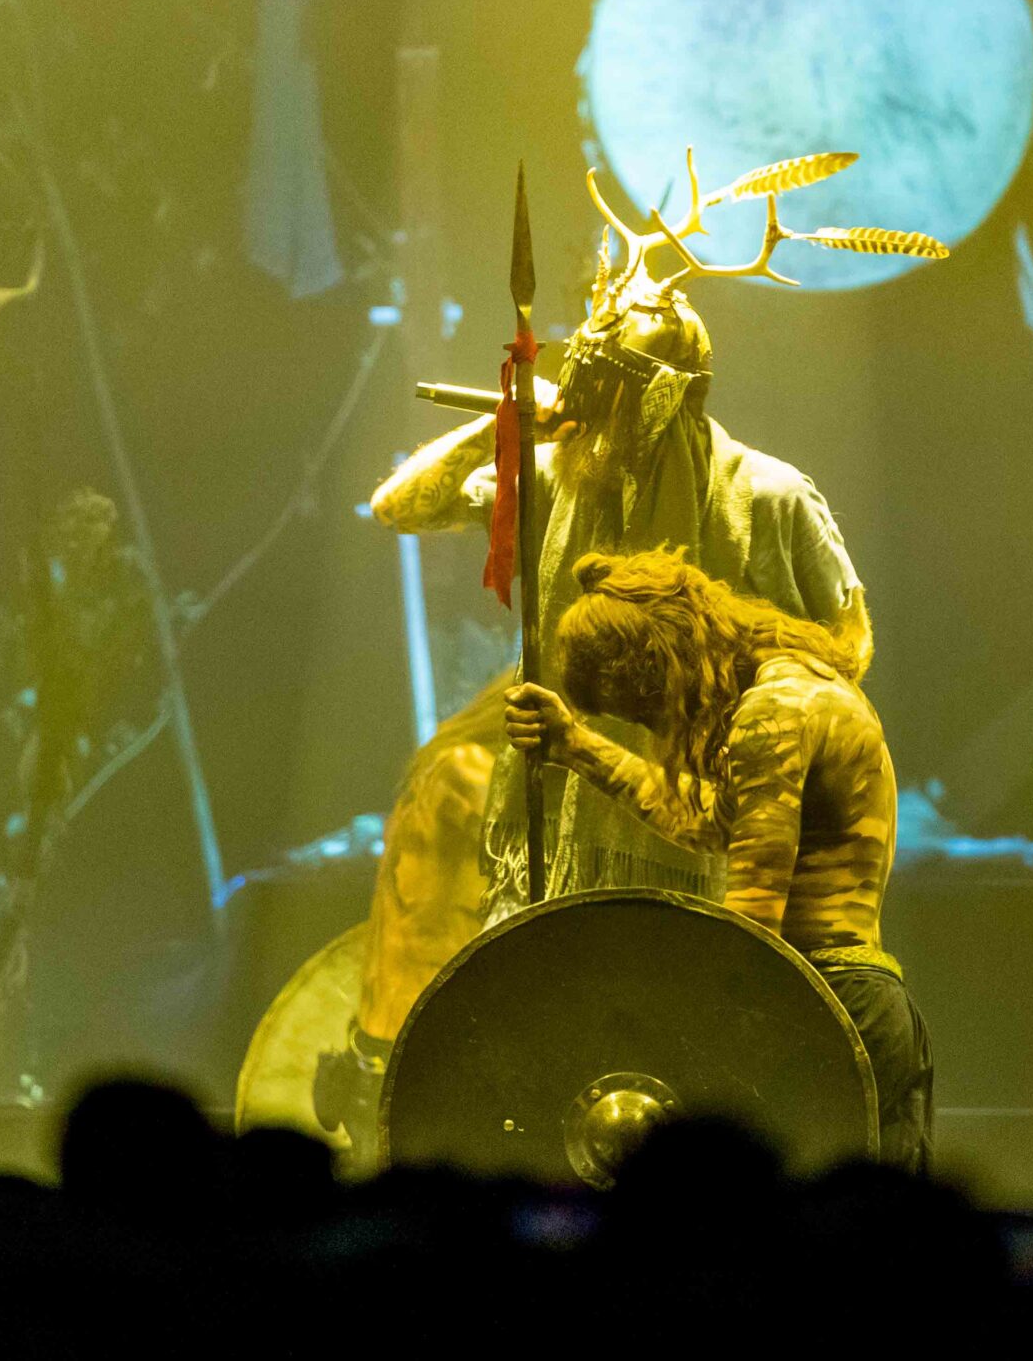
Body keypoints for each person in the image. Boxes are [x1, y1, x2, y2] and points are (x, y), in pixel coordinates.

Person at [317, 174, 869, 1145]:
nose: (591, 418)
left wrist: (744, 690)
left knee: (699, 1065)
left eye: (606, 398)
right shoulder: (556, 474)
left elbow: (849, 647)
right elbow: (398, 505)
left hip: (707, 825)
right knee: (557, 1061)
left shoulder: (771, 496)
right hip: (563, 826)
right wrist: (503, 421)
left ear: (658, 399)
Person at [501, 547, 926, 1169]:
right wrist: (574, 746)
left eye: (645, 709)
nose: (656, 728)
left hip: (824, 1004)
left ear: (665, 663)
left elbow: (753, 923)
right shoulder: (801, 686)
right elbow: (713, 821)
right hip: (847, 999)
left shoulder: (774, 713)